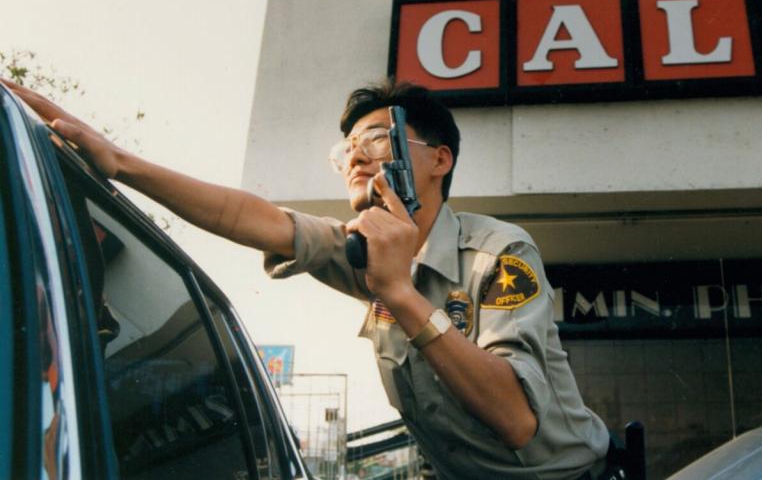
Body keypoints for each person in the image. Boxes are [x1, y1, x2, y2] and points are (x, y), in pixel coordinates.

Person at [4, 77, 616, 479]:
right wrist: (120, 162)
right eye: (347, 145)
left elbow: (516, 420)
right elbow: (254, 217)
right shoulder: (362, 248)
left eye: (377, 137)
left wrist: (398, 293)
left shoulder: (499, 253)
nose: (355, 154)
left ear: (439, 159)